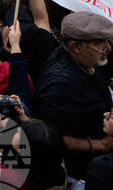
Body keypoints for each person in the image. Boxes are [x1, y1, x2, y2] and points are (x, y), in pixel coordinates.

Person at [35, 12, 113, 177]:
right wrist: (100, 145)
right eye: (100, 43)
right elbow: (53, 138)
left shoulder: (86, 58)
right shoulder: (60, 85)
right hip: (83, 173)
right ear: (76, 47)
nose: (108, 47)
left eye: (108, 41)